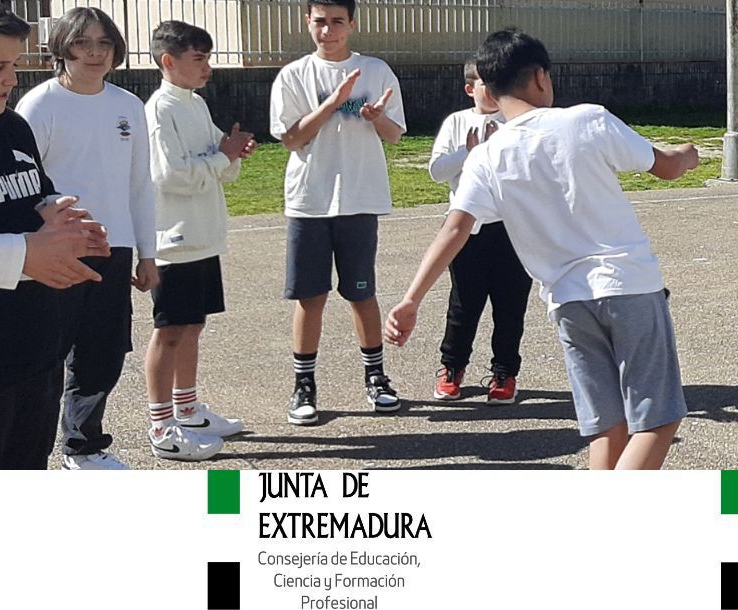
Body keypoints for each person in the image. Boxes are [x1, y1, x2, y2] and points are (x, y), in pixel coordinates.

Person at [385, 28, 702, 470]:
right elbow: (664, 166)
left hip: (567, 300)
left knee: (607, 426)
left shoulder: (486, 156)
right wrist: (688, 153)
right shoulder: (587, 119)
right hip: (628, 282)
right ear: (539, 77)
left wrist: (411, 300)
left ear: (488, 89)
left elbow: (455, 228)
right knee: (658, 419)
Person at [0, 0, 108, 469]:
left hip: (39, 343)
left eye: (15, 65)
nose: (11, 79)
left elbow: (36, 194)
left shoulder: (12, 126)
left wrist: (67, 218)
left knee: (30, 462)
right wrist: (27, 254)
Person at [17, 7, 161, 470]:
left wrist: (147, 253)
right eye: (82, 43)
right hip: (58, 250)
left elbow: (139, 184)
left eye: (103, 43)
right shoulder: (38, 105)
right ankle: (29, 452)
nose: (94, 53)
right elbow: (24, 184)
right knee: (47, 355)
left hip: (113, 250)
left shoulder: (128, 106)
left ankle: (82, 446)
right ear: (62, 48)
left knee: (103, 352)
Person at [270, 0, 407, 425]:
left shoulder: (376, 71)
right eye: (320, 22)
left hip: (359, 199)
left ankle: (376, 378)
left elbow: (395, 135)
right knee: (310, 297)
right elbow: (291, 139)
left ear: (352, 24)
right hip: (310, 201)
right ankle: (304, 385)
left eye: (337, 22)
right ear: (307, 22)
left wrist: (376, 117)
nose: (328, 31)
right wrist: (331, 103)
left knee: (361, 293)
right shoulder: (294, 75)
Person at [142, 19, 255, 461]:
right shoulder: (159, 109)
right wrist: (222, 156)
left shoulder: (195, 103)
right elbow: (168, 176)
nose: (207, 66)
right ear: (168, 61)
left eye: (208, 57)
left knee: (193, 325)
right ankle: (161, 424)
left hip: (203, 236)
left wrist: (232, 152)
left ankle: (187, 410)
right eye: (199, 58)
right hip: (175, 239)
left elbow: (220, 165)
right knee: (169, 330)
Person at [426, 58, 528, 405]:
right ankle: (452, 368)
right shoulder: (457, 122)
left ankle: (504, 372)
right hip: (467, 230)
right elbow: (437, 171)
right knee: (464, 304)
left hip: (511, 228)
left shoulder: (516, 122)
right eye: (487, 82)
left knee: (510, 305)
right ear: (470, 88)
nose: (495, 89)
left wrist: (500, 149)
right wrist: (468, 153)